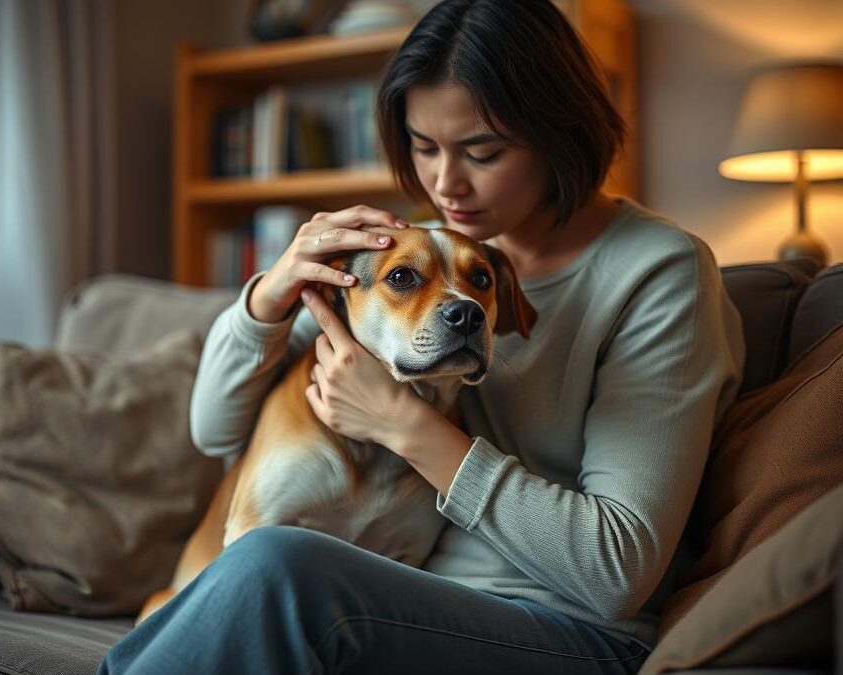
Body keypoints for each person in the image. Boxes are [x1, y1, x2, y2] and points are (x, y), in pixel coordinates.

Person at [99, 0, 745, 672]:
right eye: (423, 146)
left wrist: (402, 423)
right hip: (407, 599)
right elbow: (214, 428)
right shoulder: (416, 255)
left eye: (482, 151)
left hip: (568, 630)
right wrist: (271, 292)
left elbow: (617, 570)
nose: (444, 183)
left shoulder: (660, 273)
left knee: (275, 565)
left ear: (561, 130)